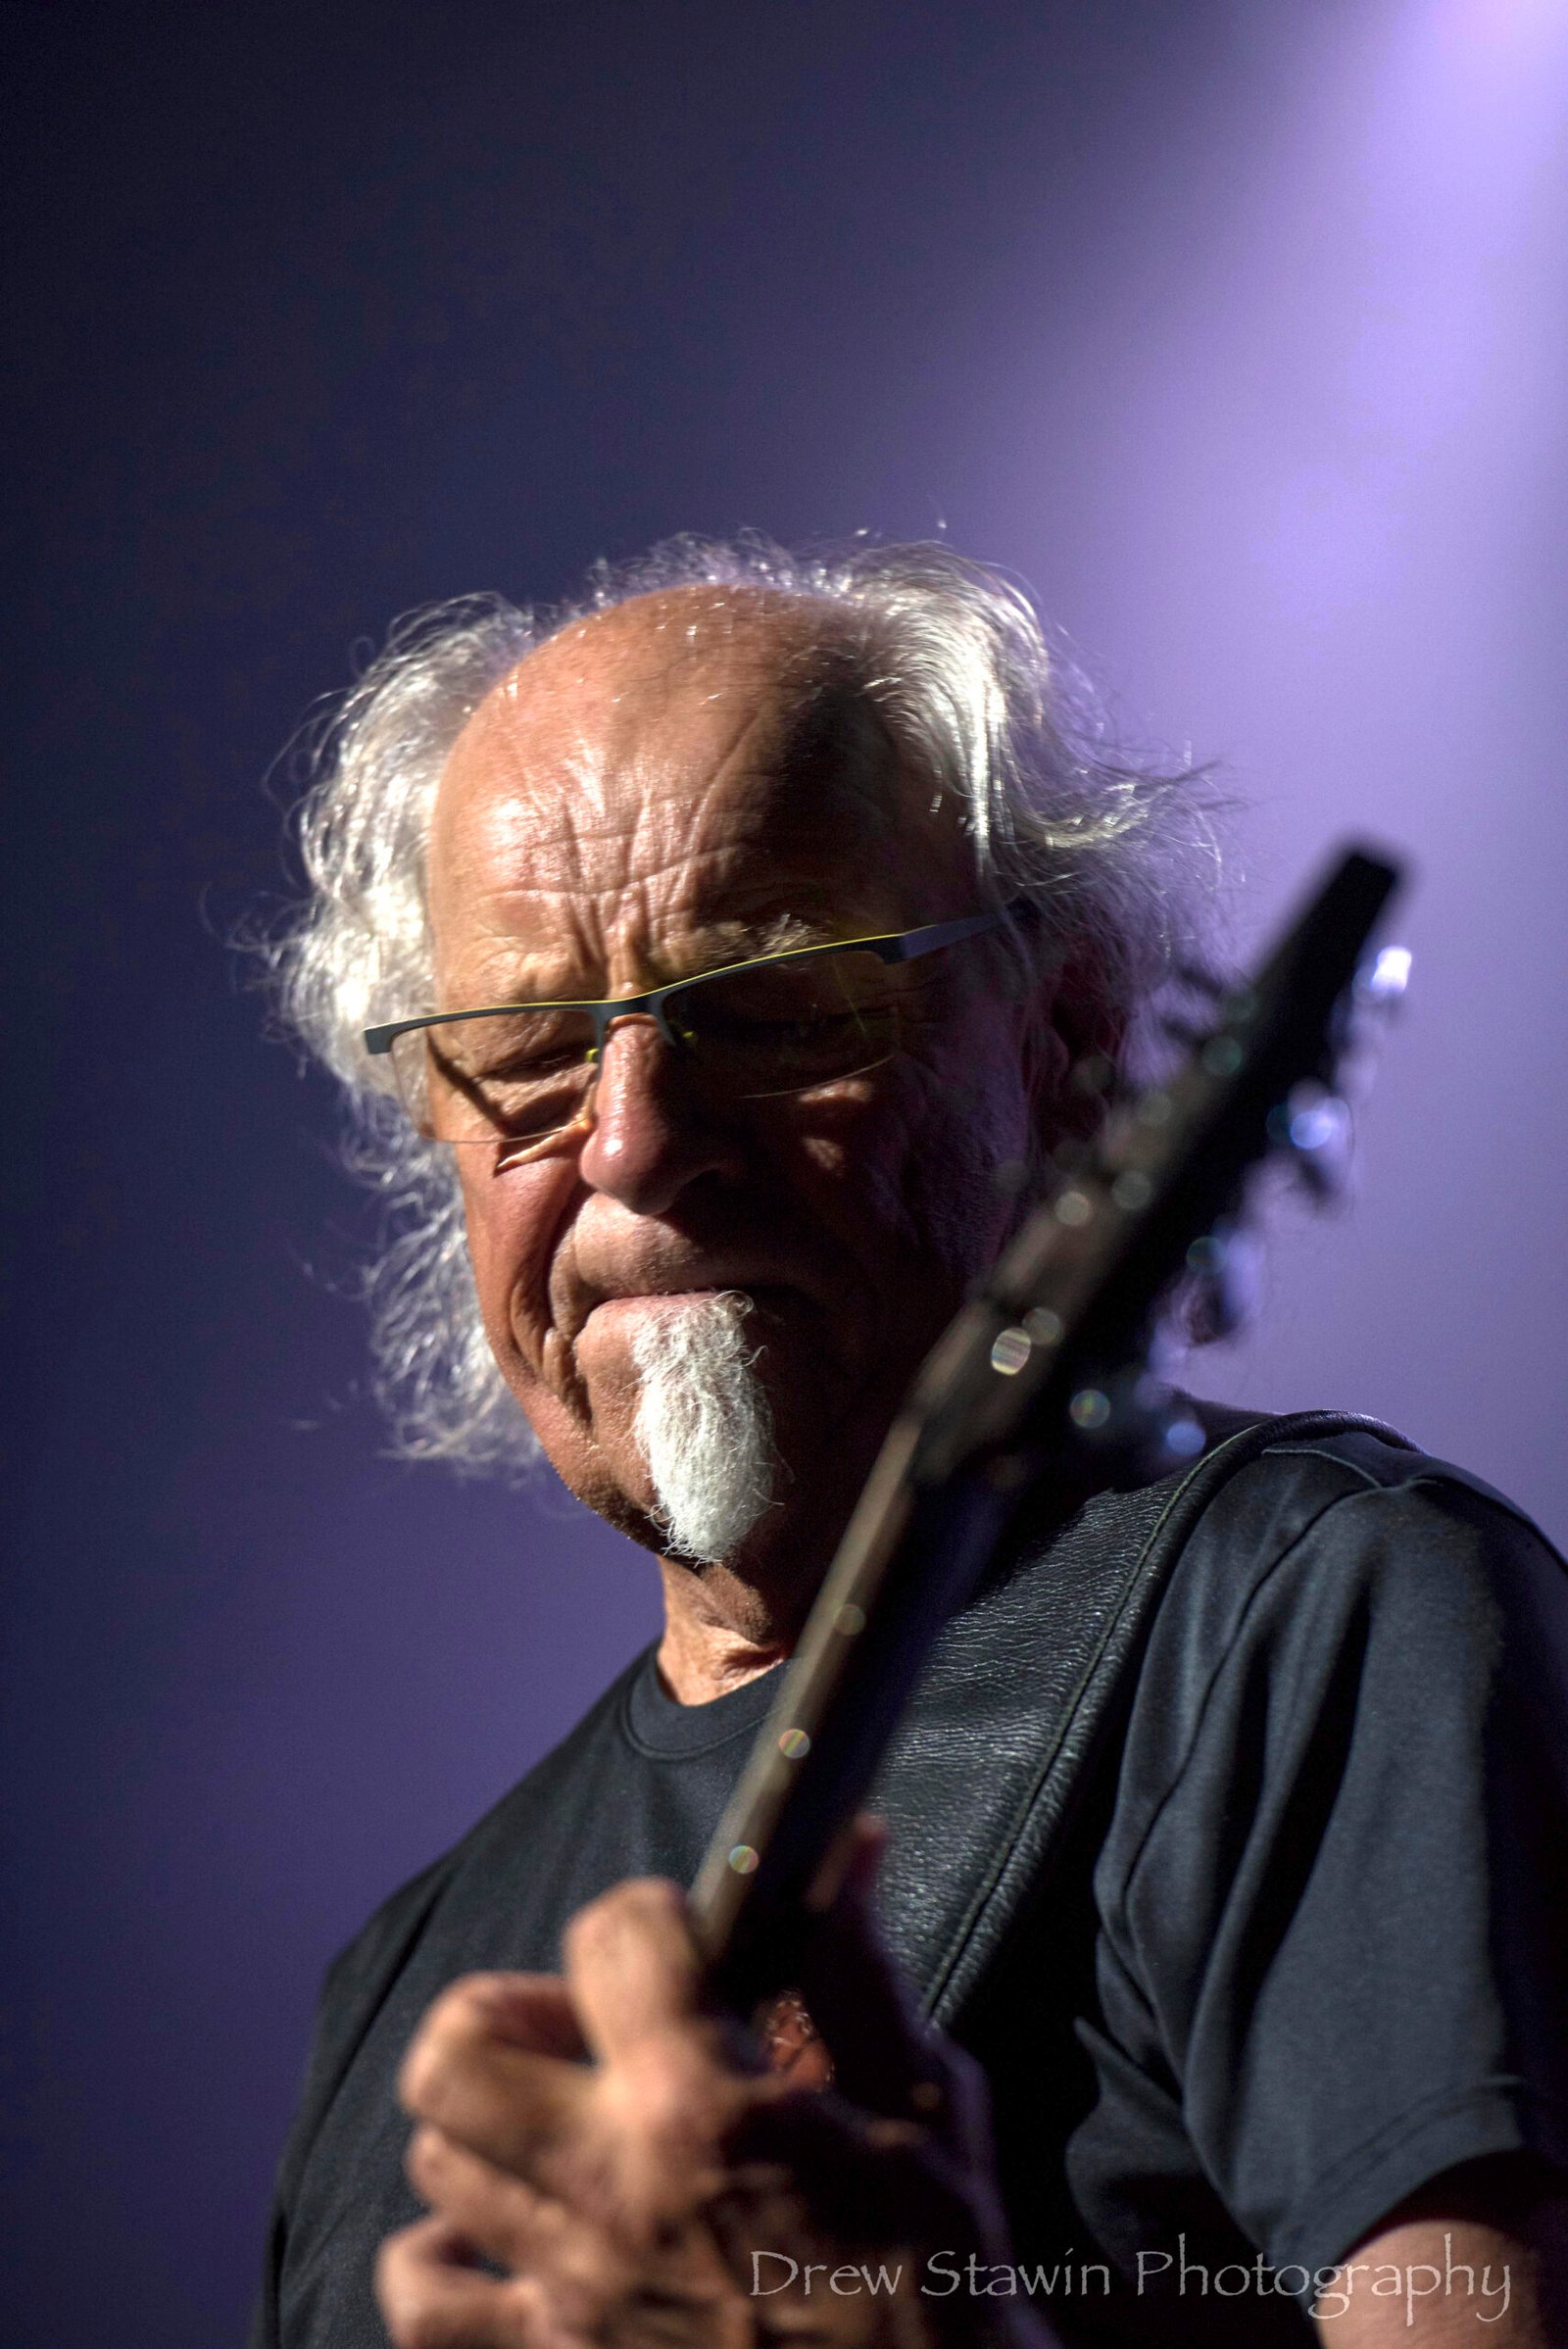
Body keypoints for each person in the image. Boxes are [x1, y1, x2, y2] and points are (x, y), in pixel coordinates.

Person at [254, 539, 1568, 2348]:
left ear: (1070, 1040)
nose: (631, 1140)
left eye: (776, 1007)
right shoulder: (399, 1994)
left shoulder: (1318, 1622)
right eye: (531, 1047)